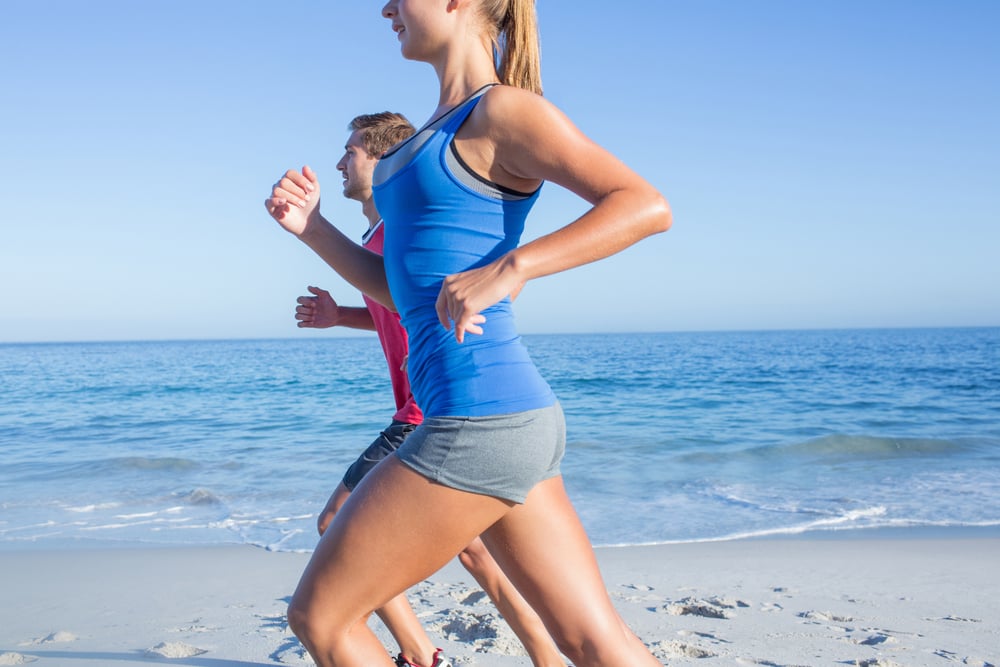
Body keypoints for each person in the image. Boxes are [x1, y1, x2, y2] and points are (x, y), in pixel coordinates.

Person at [264, 1, 672, 665]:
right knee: (595, 642)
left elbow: (644, 205)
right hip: (511, 417)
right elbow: (405, 294)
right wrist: (312, 228)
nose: (387, 8)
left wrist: (513, 267)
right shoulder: (432, 131)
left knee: (322, 617)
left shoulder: (502, 111)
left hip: (478, 417)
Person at [290, 111, 567, 667]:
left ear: (385, 158)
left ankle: (418, 653)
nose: (342, 162)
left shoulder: (398, 229)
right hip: (459, 413)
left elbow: (443, 302)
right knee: (482, 556)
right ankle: (545, 657)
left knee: (332, 521)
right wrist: (340, 316)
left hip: (430, 416)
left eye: (353, 152)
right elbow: (406, 310)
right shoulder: (378, 235)